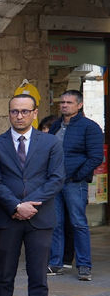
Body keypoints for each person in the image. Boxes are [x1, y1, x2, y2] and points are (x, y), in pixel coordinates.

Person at [0, 94, 65, 296]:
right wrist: (15, 206)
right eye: (14, 111)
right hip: (8, 219)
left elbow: (55, 179)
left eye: (24, 111)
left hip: (40, 219)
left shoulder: (51, 143)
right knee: (4, 275)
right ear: (8, 113)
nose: (19, 116)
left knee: (38, 277)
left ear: (34, 113)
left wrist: (30, 205)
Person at [47, 90, 104, 280]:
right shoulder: (56, 126)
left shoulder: (90, 127)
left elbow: (96, 156)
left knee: (78, 223)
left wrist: (77, 175)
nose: (64, 105)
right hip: (54, 183)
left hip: (74, 183)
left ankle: (84, 265)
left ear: (79, 105)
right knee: (56, 224)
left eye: (69, 102)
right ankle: (55, 263)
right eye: (62, 102)